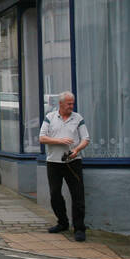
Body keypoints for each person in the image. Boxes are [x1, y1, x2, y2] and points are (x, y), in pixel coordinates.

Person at [39, 91, 89, 242]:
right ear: (60, 104)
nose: (71, 106)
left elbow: (86, 138)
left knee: (77, 195)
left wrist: (77, 150)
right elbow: (42, 138)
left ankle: (79, 228)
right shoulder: (50, 117)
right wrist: (60, 141)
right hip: (54, 162)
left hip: (73, 162)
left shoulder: (77, 118)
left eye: (72, 103)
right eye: (69, 104)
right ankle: (62, 222)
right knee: (55, 194)